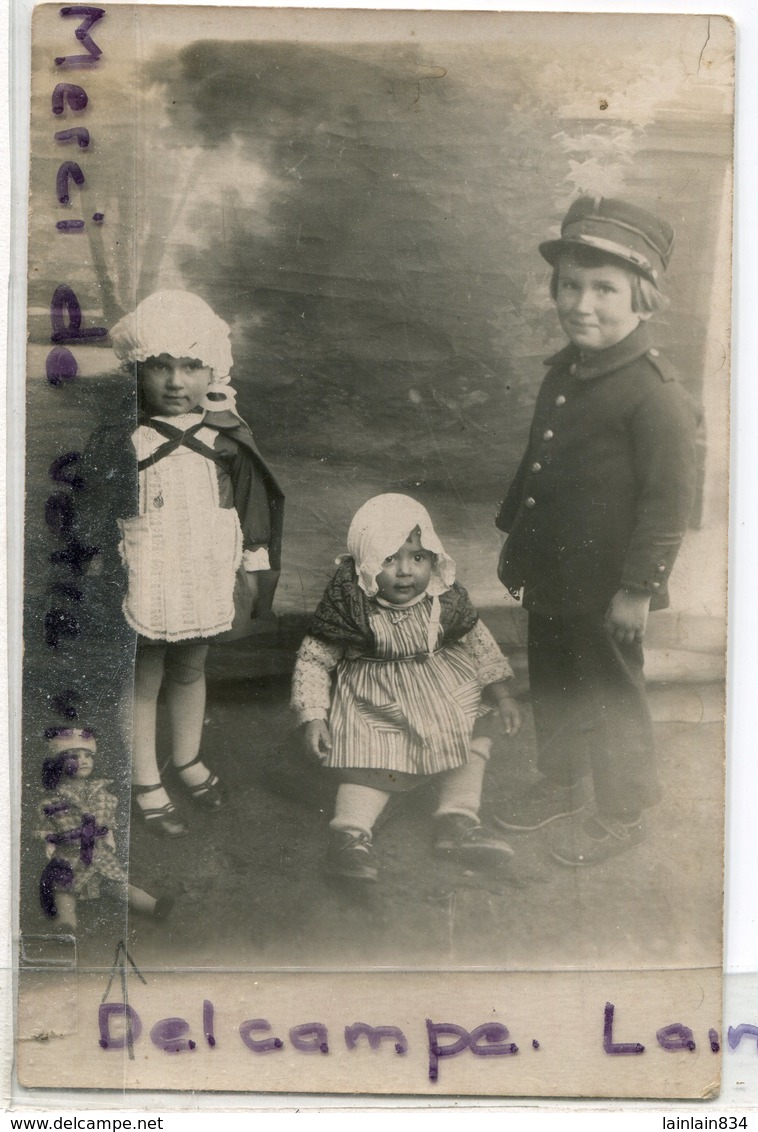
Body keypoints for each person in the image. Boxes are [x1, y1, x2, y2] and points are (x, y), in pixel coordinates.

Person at [495, 195, 699, 866]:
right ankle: (560, 781)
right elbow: (539, 463)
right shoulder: (563, 372)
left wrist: (639, 590)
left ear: (644, 299)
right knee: (553, 680)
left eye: (604, 289)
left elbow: (669, 504)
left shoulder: (655, 394)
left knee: (610, 695)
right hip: (550, 572)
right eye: (569, 286)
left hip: (609, 584)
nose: (581, 303)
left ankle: (623, 810)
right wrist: (513, 540)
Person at [78, 291, 284, 837]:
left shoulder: (227, 441)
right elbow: (97, 511)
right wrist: (100, 564)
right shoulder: (123, 441)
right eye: (161, 366)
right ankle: (147, 777)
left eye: (191, 366)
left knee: (192, 669)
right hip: (148, 572)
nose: (176, 381)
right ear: (137, 369)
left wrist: (254, 567)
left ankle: (187, 758)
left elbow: (251, 506)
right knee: (145, 676)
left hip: (204, 569)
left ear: (212, 368)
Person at [291, 493, 521, 883]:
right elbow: (313, 660)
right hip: (375, 697)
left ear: (434, 558)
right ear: (365, 562)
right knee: (370, 757)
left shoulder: (444, 599)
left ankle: (458, 821)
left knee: (471, 738)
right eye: (389, 559)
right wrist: (313, 715)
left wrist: (501, 692)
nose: (404, 571)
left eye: (417, 558)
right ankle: (349, 837)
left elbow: (477, 642)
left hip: (440, 689)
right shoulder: (351, 603)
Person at [37, 728, 173, 930]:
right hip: (69, 855)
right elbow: (45, 824)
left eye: (88, 755)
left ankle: (153, 906)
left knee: (118, 885)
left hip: (98, 853)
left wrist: (109, 835)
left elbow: (107, 819)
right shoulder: (53, 799)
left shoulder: (101, 792)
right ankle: (66, 924)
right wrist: (49, 840)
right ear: (59, 763)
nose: (83, 761)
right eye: (74, 756)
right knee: (64, 893)